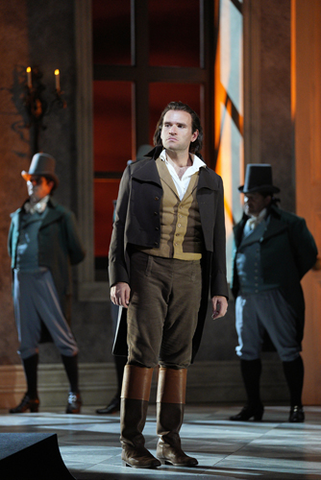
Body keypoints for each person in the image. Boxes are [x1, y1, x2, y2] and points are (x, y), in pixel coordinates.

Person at [108, 101, 229, 468]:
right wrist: (120, 276)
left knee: (177, 358)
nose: (171, 130)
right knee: (141, 354)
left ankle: (169, 442)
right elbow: (119, 225)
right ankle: (131, 444)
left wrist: (219, 288)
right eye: (166, 124)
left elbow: (217, 238)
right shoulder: (139, 170)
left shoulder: (211, 180)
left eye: (180, 126)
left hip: (192, 273)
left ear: (194, 135)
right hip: (147, 269)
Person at [230, 163, 318, 423]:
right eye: (246, 196)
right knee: (247, 349)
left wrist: (285, 279)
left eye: (253, 196)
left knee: (288, 349)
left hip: (275, 295)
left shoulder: (290, 224)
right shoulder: (240, 226)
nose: (248, 201)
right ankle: (253, 405)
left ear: (268, 198)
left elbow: (308, 254)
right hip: (246, 297)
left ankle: (295, 406)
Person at [8, 153, 86, 414]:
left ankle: (74, 394)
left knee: (63, 334)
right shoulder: (18, 215)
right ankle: (32, 396)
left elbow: (77, 252)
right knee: (26, 338)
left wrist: (54, 266)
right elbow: (12, 248)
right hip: (22, 278)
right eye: (30, 180)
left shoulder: (61, 215)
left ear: (50, 183)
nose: (32, 185)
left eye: (37, 180)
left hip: (47, 279)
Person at [96, 145, 153, 415]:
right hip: (124, 281)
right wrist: (117, 279)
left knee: (150, 343)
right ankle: (122, 396)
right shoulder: (123, 201)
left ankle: (145, 398)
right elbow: (115, 243)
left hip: (152, 280)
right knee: (121, 340)